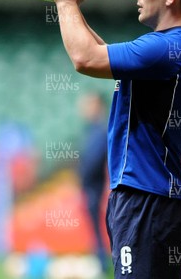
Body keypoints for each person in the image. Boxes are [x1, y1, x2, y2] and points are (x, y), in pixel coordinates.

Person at [36, 0, 181, 279]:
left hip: (146, 199)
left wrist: (63, 2)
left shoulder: (165, 48)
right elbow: (103, 54)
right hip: (154, 199)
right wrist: (74, 9)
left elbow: (85, 58)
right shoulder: (173, 46)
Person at [76, 92, 109, 275]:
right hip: (91, 186)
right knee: (95, 226)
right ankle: (101, 261)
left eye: (89, 105)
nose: (85, 109)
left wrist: (83, 177)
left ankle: (102, 263)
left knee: (98, 226)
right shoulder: (91, 130)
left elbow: (93, 161)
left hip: (95, 186)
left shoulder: (101, 130)